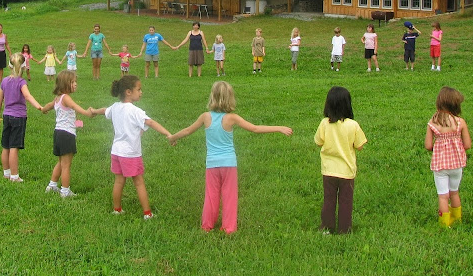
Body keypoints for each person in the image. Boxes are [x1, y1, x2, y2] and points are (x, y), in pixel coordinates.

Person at [168, 81, 292, 233]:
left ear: (212, 97)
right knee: (229, 196)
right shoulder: (232, 118)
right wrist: (278, 128)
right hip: (229, 164)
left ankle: (207, 226)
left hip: (212, 164)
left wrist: (173, 137)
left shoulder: (205, 117)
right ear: (230, 99)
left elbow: (187, 131)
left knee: (211, 195)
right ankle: (228, 228)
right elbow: (254, 128)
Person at [88, 75, 171, 218]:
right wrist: (168, 133)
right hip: (130, 153)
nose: (141, 92)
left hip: (116, 152)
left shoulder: (115, 107)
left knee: (119, 181)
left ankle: (117, 209)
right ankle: (147, 213)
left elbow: (104, 110)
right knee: (139, 182)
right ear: (128, 92)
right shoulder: (135, 111)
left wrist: (94, 111)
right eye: (138, 89)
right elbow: (150, 123)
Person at [315, 86, 367, 234]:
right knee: (345, 202)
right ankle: (345, 229)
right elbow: (360, 145)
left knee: (329, 200)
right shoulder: (353, 125)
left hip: (328, 169)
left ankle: (326, 228)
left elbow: (318, 142)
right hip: (347, 171)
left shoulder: (325, 123)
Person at [0, 53, 48, 182]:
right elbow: (28, 96)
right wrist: (40, 107)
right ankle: (14, 176)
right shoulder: (21, 82)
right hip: (18, 118)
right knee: (14, 147)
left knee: (5, 146)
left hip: (6, 116)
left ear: (9, 66)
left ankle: (6, 173)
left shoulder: (5, 81)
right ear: (24, 66)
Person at [42, 70, 94, 198]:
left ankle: (52, 185)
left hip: (58, 133)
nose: (76, 84)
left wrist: (43, 109)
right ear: (65, 84)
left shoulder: (58, 98)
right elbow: (76, 107)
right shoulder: (66, 98)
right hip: (67, 134)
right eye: (73, 82)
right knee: (66, 165)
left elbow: (49, 105)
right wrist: (88, 113)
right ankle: (65, 191)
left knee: (61, 162)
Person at [424, 87, 471, 227]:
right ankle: (457, 219)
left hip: (440, 165)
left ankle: (445, 224)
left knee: (443, 196)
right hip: (457, 164)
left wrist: (437, 148)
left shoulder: (433, 122)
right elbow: (467, 145)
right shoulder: (460, 122)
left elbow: (427, 145)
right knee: (454, 193)